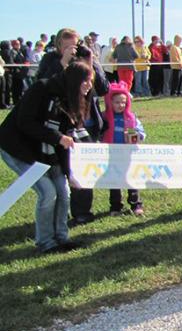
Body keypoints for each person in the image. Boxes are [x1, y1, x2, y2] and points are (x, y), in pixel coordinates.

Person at [0, 61, 95, 254]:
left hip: (50, 151)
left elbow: (66, 141)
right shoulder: (42, 88)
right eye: (86, 81)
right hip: (19, 148)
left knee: (63, 191)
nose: (89, 86)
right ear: (75, 80)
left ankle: (62, 237)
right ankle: (45, 242)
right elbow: (25, 122)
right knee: (47, 192)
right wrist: (57, 138)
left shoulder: (73, 101)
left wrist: (69, 173)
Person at [36, 28, 110, 225]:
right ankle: (58, 212)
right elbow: (41, 86)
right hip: (59, 123)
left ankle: (82, 211)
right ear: (58, 45)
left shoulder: (86, 58)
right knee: (60, 170)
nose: (72, 49)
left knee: (83, 168)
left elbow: (103, 88)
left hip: (87, 122)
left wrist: (91, 62)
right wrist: (63, 63)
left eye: (75, 45)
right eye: (67, 46)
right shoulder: (50, 61)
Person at [101, 82, 146, 216]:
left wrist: (138, 135)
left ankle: (136, 204)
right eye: (117, 102)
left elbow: (141, 132)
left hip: (128, 154)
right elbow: (100, 133)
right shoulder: (105, 118)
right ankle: (115, 206)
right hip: (111, 154)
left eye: (123, 102)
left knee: (131, 178)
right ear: (110, 102)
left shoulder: (131, 118)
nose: (121, 105)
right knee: (114, 180)